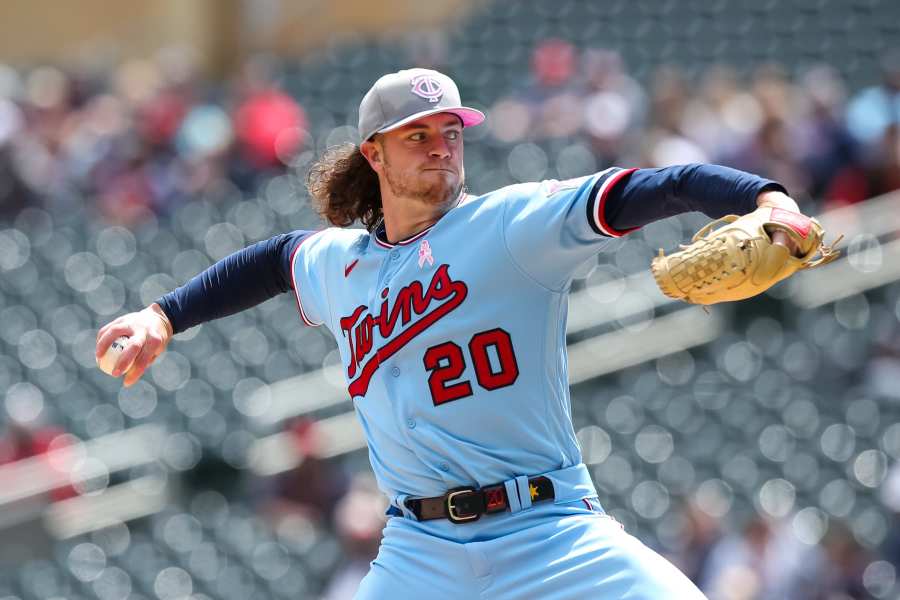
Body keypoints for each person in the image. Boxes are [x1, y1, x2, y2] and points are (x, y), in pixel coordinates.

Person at [96, 68, 805, 599]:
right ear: (374, 154)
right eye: (419, 136)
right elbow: (272, 262)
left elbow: (659, 185)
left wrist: (764, 197)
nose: (441, 148)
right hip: (419, 553)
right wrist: (163, 316)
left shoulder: (512, 224)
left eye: (451, 133)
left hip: (549, 530)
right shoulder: (341, 263)